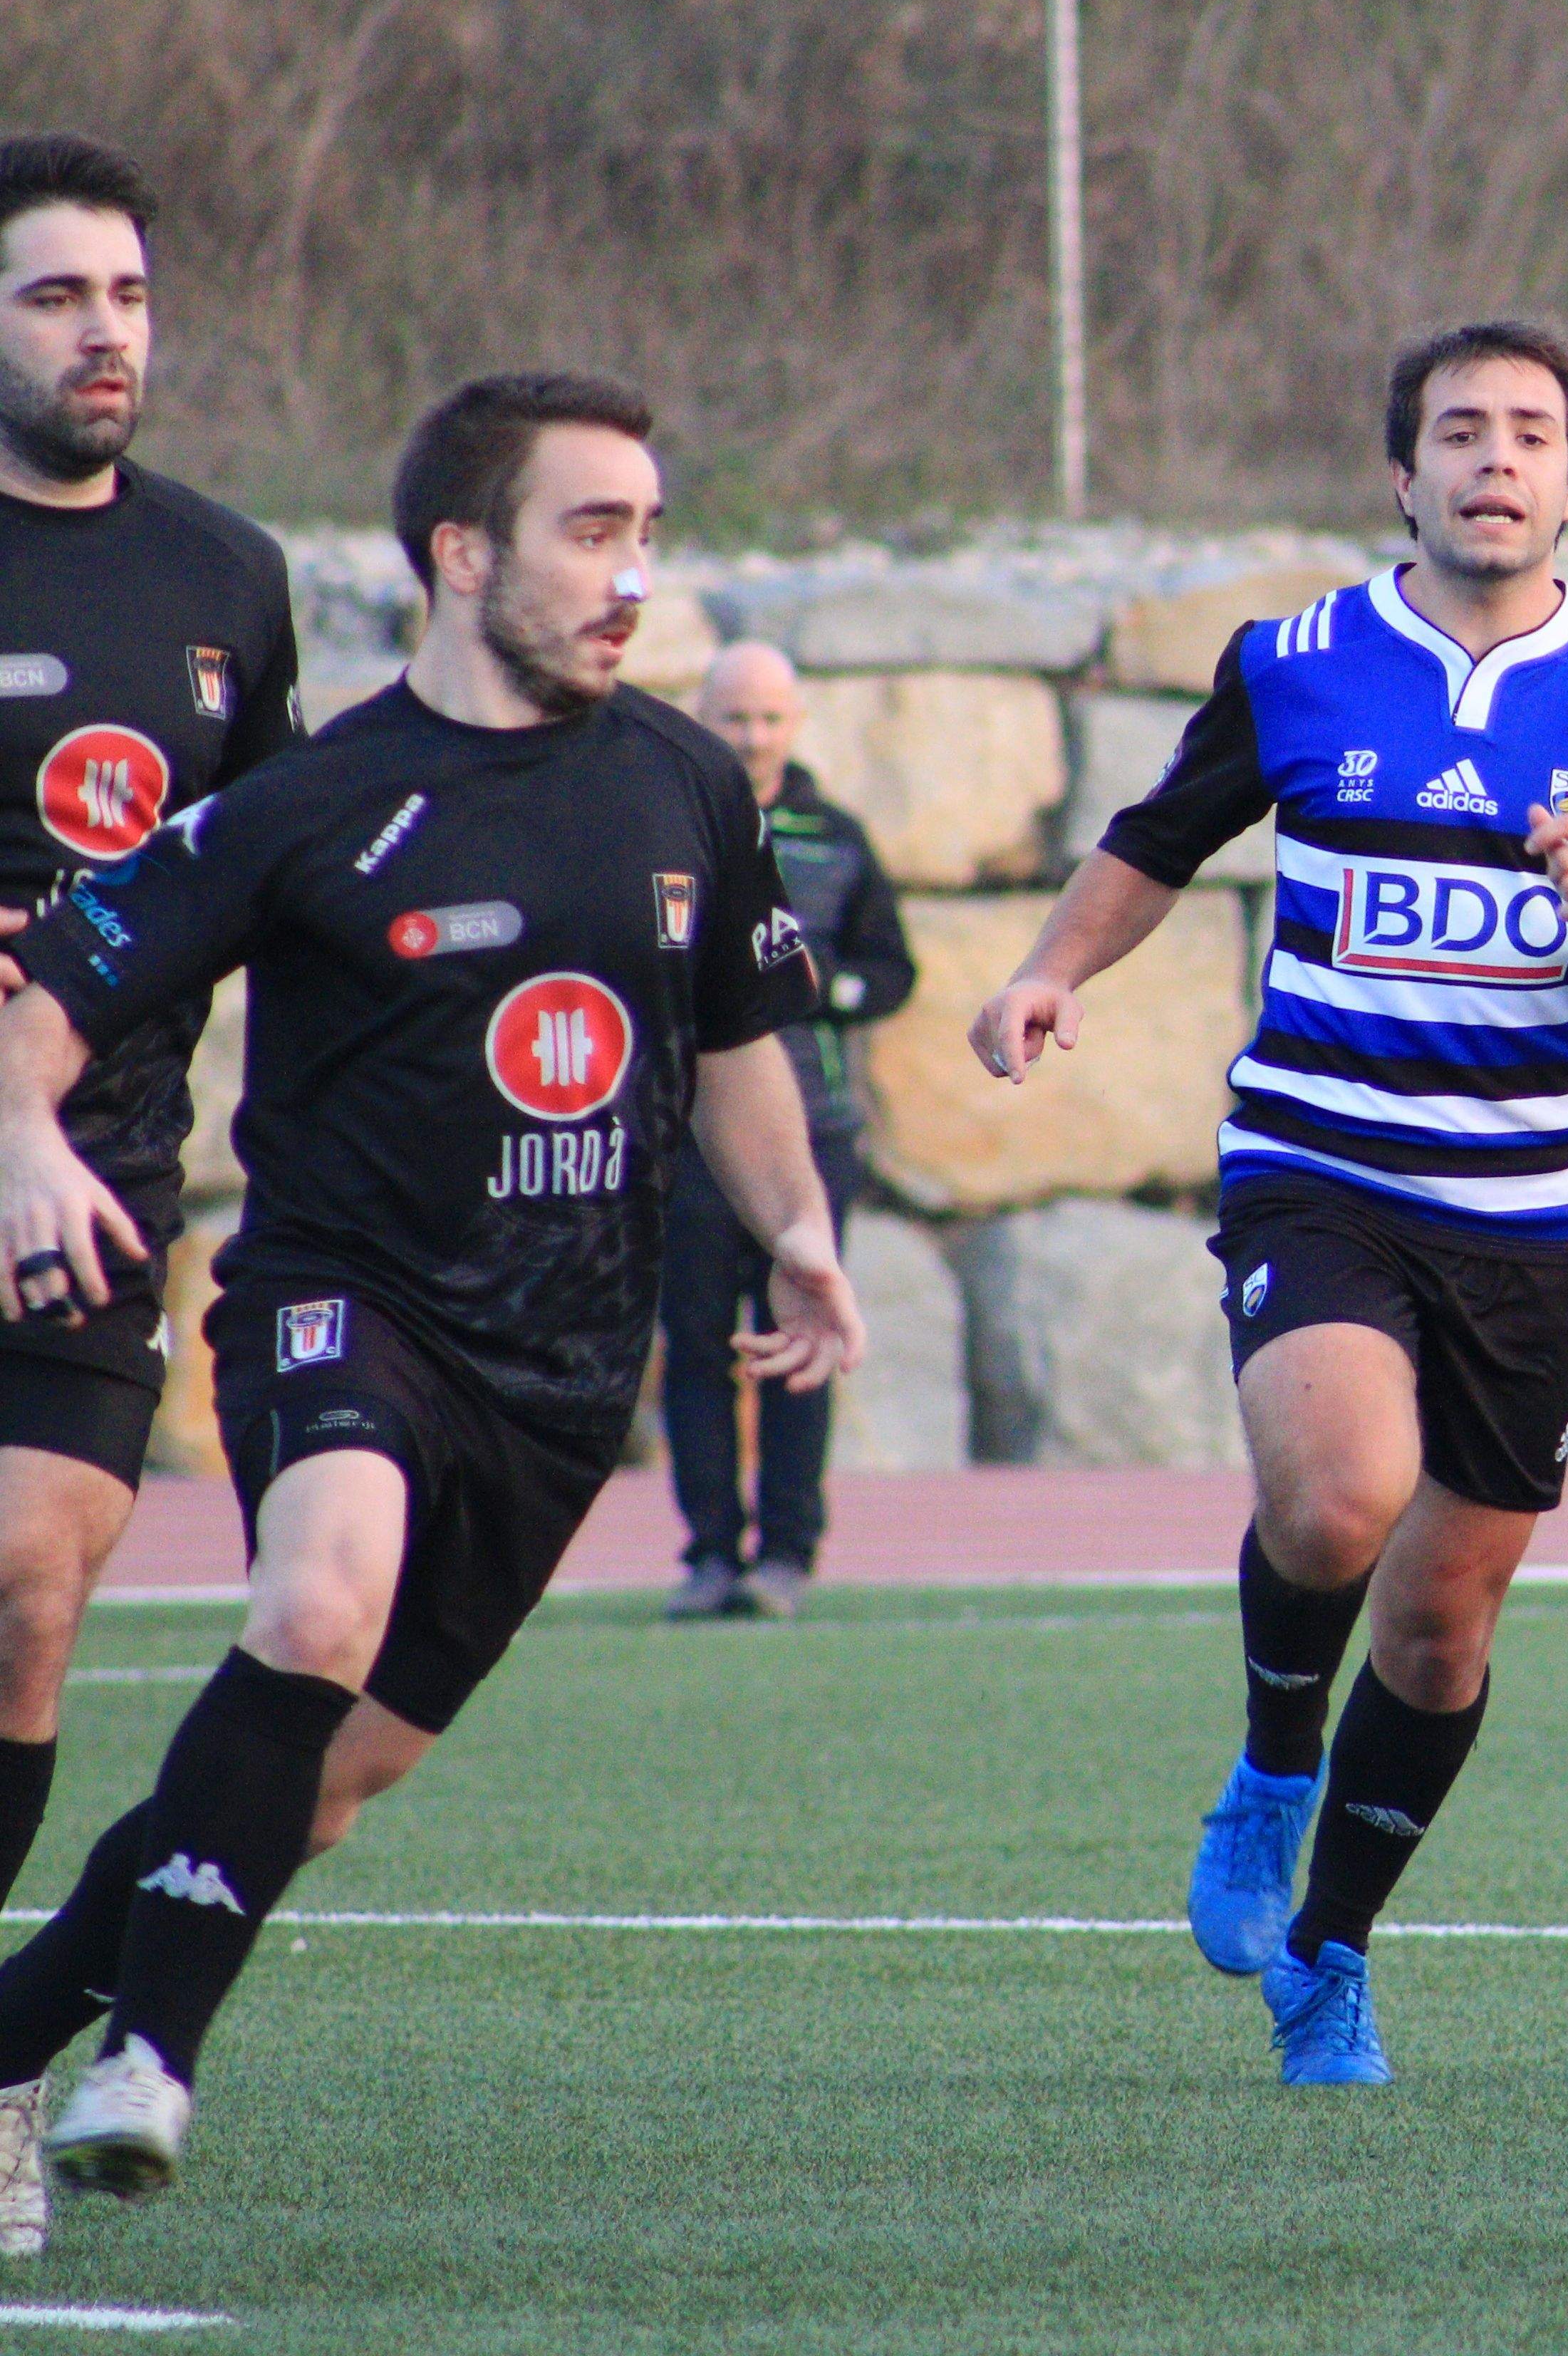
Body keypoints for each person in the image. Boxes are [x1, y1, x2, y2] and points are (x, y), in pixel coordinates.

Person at [0, 372, 861, 2219]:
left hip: (561, 1370)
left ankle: (7, 2038)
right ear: (462, 555)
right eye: (591, 530)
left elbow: (733, 1045)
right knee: (316, 1600)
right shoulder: (316, 802)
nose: (633, 575)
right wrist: (28, 1138)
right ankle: (149, 2059)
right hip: (344, 1298)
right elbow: (53, 993)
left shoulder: (688, 780)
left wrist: (798, 1229)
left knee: (313, 1790)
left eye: (647, 532)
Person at [970, 321, 1568, 2091]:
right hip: (1318, 1165)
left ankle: (1331, 1952)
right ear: (1398, 474)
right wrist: (1045, 971)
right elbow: (1159, 837)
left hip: (1519, 1216)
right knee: (1337, 1505)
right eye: (1459, 430)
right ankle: (1265, 1770)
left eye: (1532, 433)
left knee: (1444, 1621)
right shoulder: (1302, 660)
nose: (1496, 458)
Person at [0, 137, 300, 1980]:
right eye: (53, 298)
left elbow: (279, 875)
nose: (102, 335)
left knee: (33, 1592)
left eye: (125, 296)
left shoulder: (225, 577)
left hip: (97, 1182)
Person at [658, 641, 910, 1619]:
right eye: (734, 718)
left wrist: (827, 990)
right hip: (687, 1139)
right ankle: (710, 1553)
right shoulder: (668, 823)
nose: (753, 736)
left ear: (795, 723)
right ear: (703, 720)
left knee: (800, 1340)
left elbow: (893, 970)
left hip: (814, 1136)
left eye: (769, 718)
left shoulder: (837, 836)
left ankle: (788, 1555)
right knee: (693, 1345)